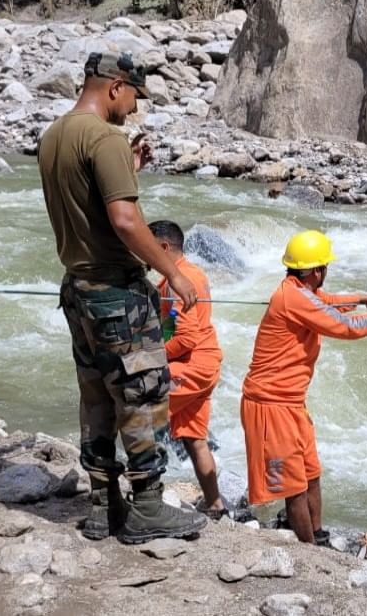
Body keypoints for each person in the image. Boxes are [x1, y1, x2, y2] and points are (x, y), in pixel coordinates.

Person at [39, 51, 207, 544]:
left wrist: (128, 169)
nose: (133, 109)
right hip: (117, 292)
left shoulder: (55, 136)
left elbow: (86, 208)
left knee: (96, 396)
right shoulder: (104, 137)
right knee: (143, 392)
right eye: (134, 96)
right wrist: (173, 272)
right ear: (115, 85)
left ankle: (102, 506)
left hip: (78, 289)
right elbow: (126, 222)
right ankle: (149, 507)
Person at [240, 230, 367, 544]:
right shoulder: (293, 297)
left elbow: (326, 302)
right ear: (318, 270)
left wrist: (359, 299)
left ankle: (317, 536)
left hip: (291, 403)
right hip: (269, 404)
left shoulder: (298, 291)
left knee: (311, 473)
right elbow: (349, 327)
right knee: (293, 487)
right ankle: (309, 552)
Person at [148, 220, 227, 518]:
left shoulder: (178, 280)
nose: (145, 255)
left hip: (191, 366)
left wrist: (151, 355)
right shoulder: (192, 273)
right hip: (207, 364)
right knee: (195, 439)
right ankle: (215, 504)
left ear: (164, 248)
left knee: (141, 418)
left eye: (148, 248)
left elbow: (185, 337)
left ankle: (146, 499)